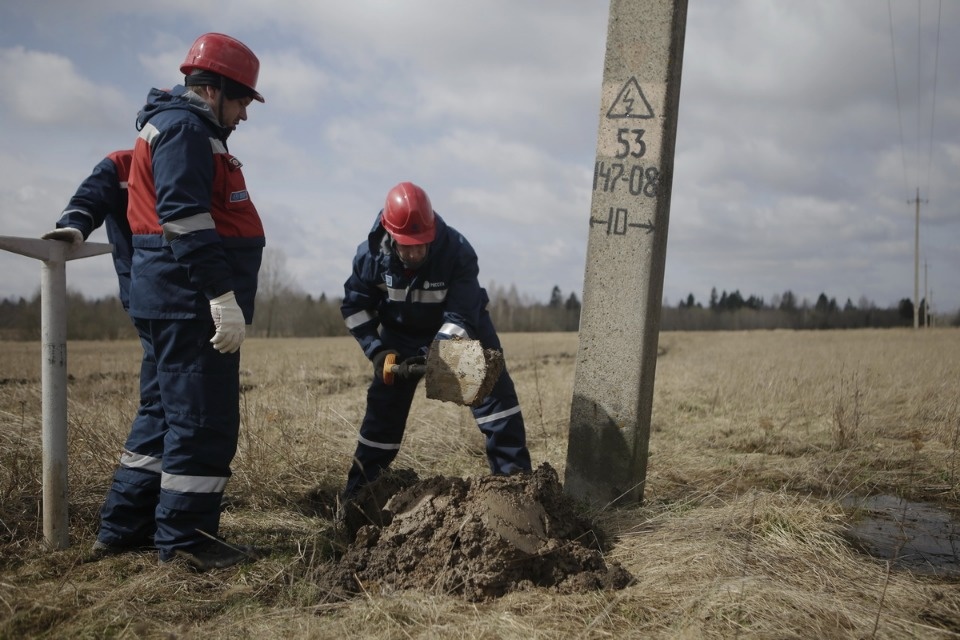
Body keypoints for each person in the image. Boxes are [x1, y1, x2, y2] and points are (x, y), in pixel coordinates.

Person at [92, 33, 267, 571]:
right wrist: (220, 295)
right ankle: (187, 545)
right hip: (190, 305)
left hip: (170, 300)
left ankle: (126, 528)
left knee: (160, 418)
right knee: (202, 422)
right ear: (213, 91)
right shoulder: (188, 130)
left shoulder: (174, 125)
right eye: (241, 102)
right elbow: (185, 218)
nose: (243, 115)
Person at [340, 181, 533, 499]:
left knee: (498, 410)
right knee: (381, 420)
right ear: (390, 235)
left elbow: (462, 315)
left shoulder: (457, 250)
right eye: (407, 245)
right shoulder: (370, 258)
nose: (415, 252)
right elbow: (355, 308)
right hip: (398, 337)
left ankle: (517, 497)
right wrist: (377, 352)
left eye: (421, 244)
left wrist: (438, 354)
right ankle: (358, 502)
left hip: (459, 332)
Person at [41, 150, 134, 311]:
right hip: (142, 290)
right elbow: (88, 199)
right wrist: (73, 226)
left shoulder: (191, 166)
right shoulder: (121, 164)